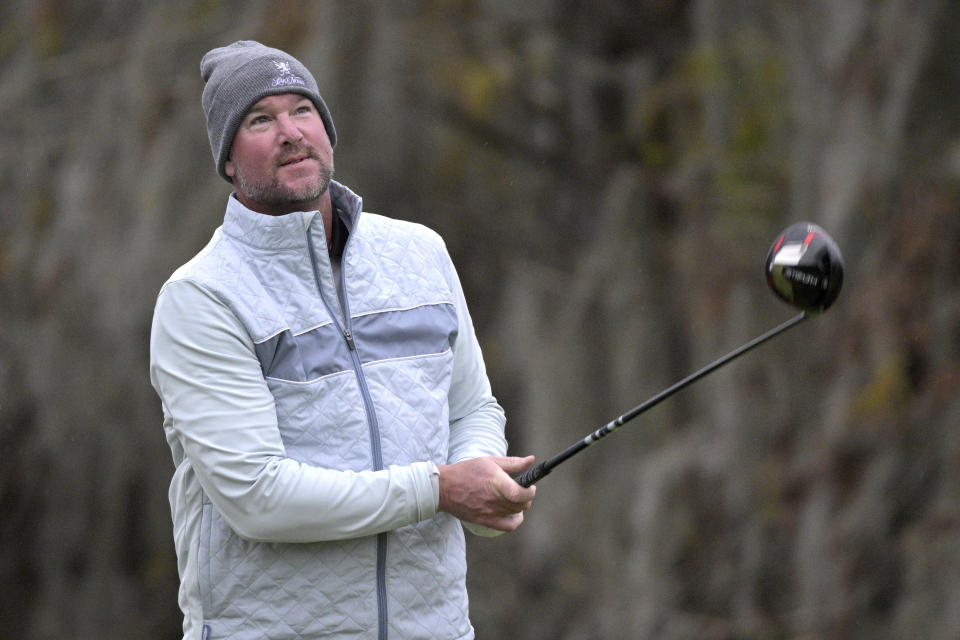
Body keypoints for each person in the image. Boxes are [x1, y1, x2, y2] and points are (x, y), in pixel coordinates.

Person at [149, 40, 536, 640]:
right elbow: (258, 496)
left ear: (327, 130)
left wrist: (478, 478)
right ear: (228, 159)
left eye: (302, 110)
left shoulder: (420, 252)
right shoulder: (201, 297)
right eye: (259, 120)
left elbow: (471, 407)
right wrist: (439, 489)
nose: (289, 132)